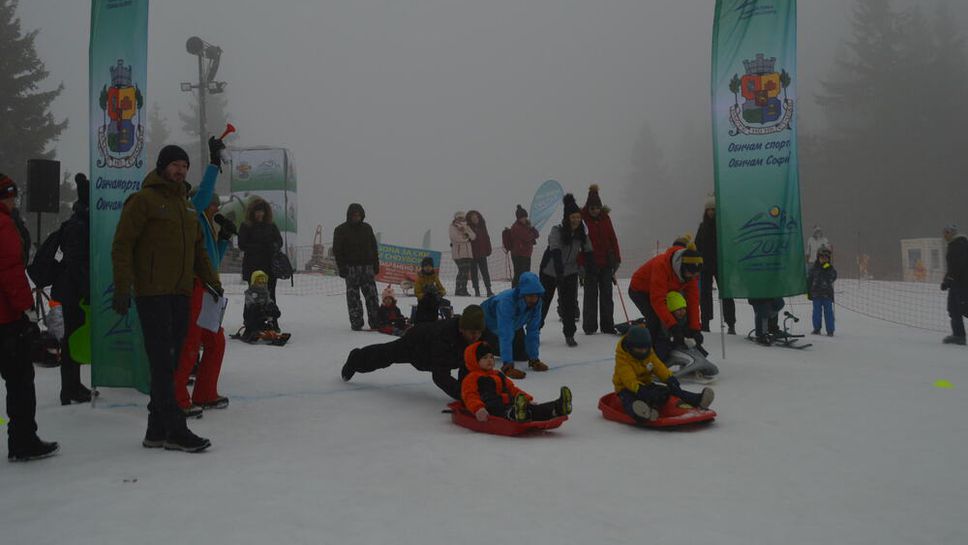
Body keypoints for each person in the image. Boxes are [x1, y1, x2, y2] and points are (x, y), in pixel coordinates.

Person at [112, 145, 221, 453]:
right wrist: (123, 287)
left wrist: (212, 281)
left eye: (184, 166)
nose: (181, 171)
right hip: (153, 293)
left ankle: (156, 429)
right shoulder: (143, 201)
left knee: (171, 364)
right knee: (162, 363)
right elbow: (122, 245)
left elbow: (198, 250)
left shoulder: (186, 207)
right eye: (175, 165)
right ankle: (176, 429)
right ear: (162, 167)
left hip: (180, 293)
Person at [174, 137, 235, 416]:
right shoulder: (192, 216)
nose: (215, 208)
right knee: (189, 343)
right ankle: (177, 398)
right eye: (212, 204)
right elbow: (200, 198)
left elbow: (211, 260)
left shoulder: (207, 225)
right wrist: (213, 165)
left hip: (209, 289)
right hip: (195, 287)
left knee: (214, 342)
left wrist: (223, 240)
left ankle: (206, 392)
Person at [0, 173, 59, 461]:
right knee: (21, 381)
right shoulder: (4, 225)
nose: (14, 201)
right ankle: (23, 440)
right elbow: (11, 273)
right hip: (7, 318)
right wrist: (26, 311)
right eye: (11, 195)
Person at [341, 305, 486, 400]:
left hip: (433, 349)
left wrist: (469, 391)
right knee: (386, 355)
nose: (476, 336)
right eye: (472, 332)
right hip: (416, 345)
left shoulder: (475, 337)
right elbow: (440, 375)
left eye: (479, 333)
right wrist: (463, 395)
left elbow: (469, 364)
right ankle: (356, 359)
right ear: (462, 329)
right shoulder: (444, 338)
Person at [612, 326, 713, 422]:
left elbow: (658, 366)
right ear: (630, 347)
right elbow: (628, 380)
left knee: (668, 391)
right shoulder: (623, 359)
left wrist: (669, 378)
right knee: (629, 400)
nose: (643, 351)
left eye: (645, 349)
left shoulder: (648, 352)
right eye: (639, 349)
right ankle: (642, 413)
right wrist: (640, 390)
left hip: (646, 384)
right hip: (626, 388)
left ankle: (698, 399)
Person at [50, 173, 92, 405]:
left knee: (73, 338)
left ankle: (73, 384)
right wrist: (88, 290)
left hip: (72, 289)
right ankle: (69, 388)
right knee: (71, 339)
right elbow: (76, 263)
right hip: (71, 291)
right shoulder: (79, 225)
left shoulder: (79, 221)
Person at [461, 341, 572, 423]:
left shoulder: (497, 374)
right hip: (490, 407)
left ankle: (557, 407)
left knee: (531, 409)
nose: (489, 360)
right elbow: (470, 396)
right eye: (484, 358)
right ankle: (516, 414)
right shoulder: (472, 378)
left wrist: (527, 398)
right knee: (504, 409)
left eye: (491, 357)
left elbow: (512, 389)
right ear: (474, 361)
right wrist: (478, 409)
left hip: (510, 402)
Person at [627, 242, 703, 361]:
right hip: (640, 290)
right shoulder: (661, 265)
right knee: (655, 319)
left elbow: (693, 301)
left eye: (695, 275)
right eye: (690, 274)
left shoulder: (691, 274)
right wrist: (673, 326)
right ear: (681, 267)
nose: (692, 278)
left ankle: (679, 349)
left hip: (666, 290)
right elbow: (657, 301)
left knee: (681, 314)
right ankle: (650, 355)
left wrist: (695, 328)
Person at [539, 193, 593, 347]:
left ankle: (569, 334)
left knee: (568, 304)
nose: (576, 220)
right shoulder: (557, 230)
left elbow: (588, 251)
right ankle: (534, 331)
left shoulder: (581, 232)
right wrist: (559, 271)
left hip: (569, 272)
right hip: (550, 271)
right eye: (573, 217)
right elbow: (555, 249)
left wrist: (588, 269)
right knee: (543, 303)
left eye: (578, 217)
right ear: (567, 217)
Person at [480, 271, 546, 379]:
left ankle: (496, 347)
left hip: (514, 325)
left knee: (522, 355)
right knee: (482, 353)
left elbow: (533, 331)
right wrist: (508, 365)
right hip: (487, 325)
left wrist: (534, 359)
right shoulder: (506, 302)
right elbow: (505, 333)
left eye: (536, 295)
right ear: (522, 293)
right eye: (529, 295)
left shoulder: (537, 303)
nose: (533, 299)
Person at [333, 203, 381, 331]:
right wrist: (342, 267)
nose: (356, 217)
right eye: (354, 215)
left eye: (359, 215)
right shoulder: (340, 230)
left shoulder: (367, 228)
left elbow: (374, 247)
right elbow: (337, 251)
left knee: (372, 296)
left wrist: (376, 264)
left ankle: (376, 321)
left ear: (362, 215)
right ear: (349, 215)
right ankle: (356, 322)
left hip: (367, 268)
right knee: (353, 298)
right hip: (351, 269)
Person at [581, 184, 621, 335]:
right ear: (588, 207)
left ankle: (607, 325)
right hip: (590, 264)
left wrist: (617, 258)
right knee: (590, 296)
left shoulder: (606, 218)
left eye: (597, 208)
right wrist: (581, 264)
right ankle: (590, 327)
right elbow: (580, 242)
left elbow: (613, 238)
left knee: (607, 295)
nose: (595, 211)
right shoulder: (583, 219)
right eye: (592, 208)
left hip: (606, 263)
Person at [694, 194, 736, 334]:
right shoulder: (702, 227)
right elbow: (697, 246)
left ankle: (731, 323)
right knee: (705, 295)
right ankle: (705, 323)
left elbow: (730, 244)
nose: (711, 212)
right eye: (709, 209)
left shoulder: (723, 227)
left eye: (713, 209)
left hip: (722, 266)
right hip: (705, 267)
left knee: (726, 295)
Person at [238, 197, 283, 302]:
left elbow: (279, 241)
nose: (259, 214)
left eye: (261, 211)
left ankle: (271, 314)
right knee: (253, 294)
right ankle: (251, 316)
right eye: (257, 211)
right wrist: (260, 247)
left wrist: (274, 246)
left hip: (269, 266)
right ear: (252, 212)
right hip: (252, 266)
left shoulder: (271, 226)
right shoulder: (246, 226)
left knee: (271, 293)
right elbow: (242, 244)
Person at [941, 224, 968, 345]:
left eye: (946, 232)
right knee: (953, 308)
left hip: (963, 283)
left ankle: (959, 335)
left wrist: (950, 278)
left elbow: (960, 265)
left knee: (965, 308)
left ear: (952, 233)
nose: (944, 235)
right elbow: (952, 266)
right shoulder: (952, 245)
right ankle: (958, 335)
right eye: (944, 232)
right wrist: (946, 280)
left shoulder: (960, 245)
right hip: (955, 283)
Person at [243, 270, 282, 341]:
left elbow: (269, 300)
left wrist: (272, 307)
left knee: (271, 307)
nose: (262, 283)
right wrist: (259, 307)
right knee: (255, 308)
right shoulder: (250, 293)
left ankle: (270, 327)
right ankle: (252, 330)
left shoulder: (266, 293)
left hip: (263, 314)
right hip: (252, 316)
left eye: (263, 281)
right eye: (259, 281)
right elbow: (250, 303)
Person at [506, 205, 540, 287]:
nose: (524, 219)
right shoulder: (516, 227)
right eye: (522, 217)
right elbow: (527, 237)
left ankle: (523, 289)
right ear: (518, 218)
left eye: (525, 217)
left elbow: (537, 234)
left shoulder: (526, 226)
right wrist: (531, 231)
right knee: (519, 274)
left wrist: (531, 227)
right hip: (518, 254)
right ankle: (515, 290)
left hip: (526, 254)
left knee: (525, 274)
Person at [808, 246, 837, 336]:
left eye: (826, 258)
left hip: (827, 294)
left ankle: (830, 330)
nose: (824, 259)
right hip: (816, 294)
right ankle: (816, 329)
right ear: (818, 257)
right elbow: (809, 280)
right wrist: (809, 292)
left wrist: (827, 268)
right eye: (822, 257)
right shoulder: (814, 268)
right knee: (816, 312)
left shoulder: (829, 268)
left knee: (828, 312)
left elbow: (833, 276)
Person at [414, 256, 450, 323]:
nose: (428, 268)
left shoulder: (435, 277)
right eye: (426, 266)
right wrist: (424, 295)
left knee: (445, 303)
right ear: (423, 267)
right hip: (423, 301)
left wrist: (439, 294)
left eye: (430, 266)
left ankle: (446, 321)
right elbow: (417, 292)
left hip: (434, 301)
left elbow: (442, 289)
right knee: (427, 302)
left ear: (432, 267)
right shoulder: (420, 279)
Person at [466, 210, 494, 297]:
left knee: (485, 272)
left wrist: (488, 249)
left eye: (476, 217)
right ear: (470, 219)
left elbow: (487, 238)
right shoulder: (468, 228)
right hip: (472, 255)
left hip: (482, 253)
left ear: (479, 218)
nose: (475, 219)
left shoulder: (482, 227)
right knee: (474, 273)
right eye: (472, 217)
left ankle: (489, 290)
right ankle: (477, 290)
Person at [449, 211, 476, 296]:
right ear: (456, 218)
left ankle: (463, 289)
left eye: (462, 217)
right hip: (458, 253)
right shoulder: (453, 226)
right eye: (459, 217)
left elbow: (473, 236)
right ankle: (458, 289)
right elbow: (455, 237)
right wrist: (467, 239)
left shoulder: (467, 226)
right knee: (461, 271)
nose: (461, 219)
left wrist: (466, 233)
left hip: (468, 253)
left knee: (465, 272)